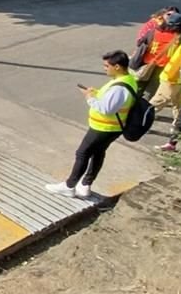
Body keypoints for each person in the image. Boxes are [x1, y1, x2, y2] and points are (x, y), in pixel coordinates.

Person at [46, 50, 137, 199]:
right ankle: (85, 185)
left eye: (107, 66)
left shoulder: (119, 87)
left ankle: (69, 186)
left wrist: (89, 98)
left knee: (82, 153)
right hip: (112, 128)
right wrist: (97, 92)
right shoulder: (128, 79)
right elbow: (112, 100)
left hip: (104, 127)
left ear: (118, 67)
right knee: (98, 153)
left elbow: (107, 109)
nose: (105, 68)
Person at [132, 11, 181, 98]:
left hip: (147, 64)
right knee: (150, 92)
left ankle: (129, 105)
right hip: (163, 68)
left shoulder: (153, 32)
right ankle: (143, 109)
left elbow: (140, 43)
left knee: (138, 86)